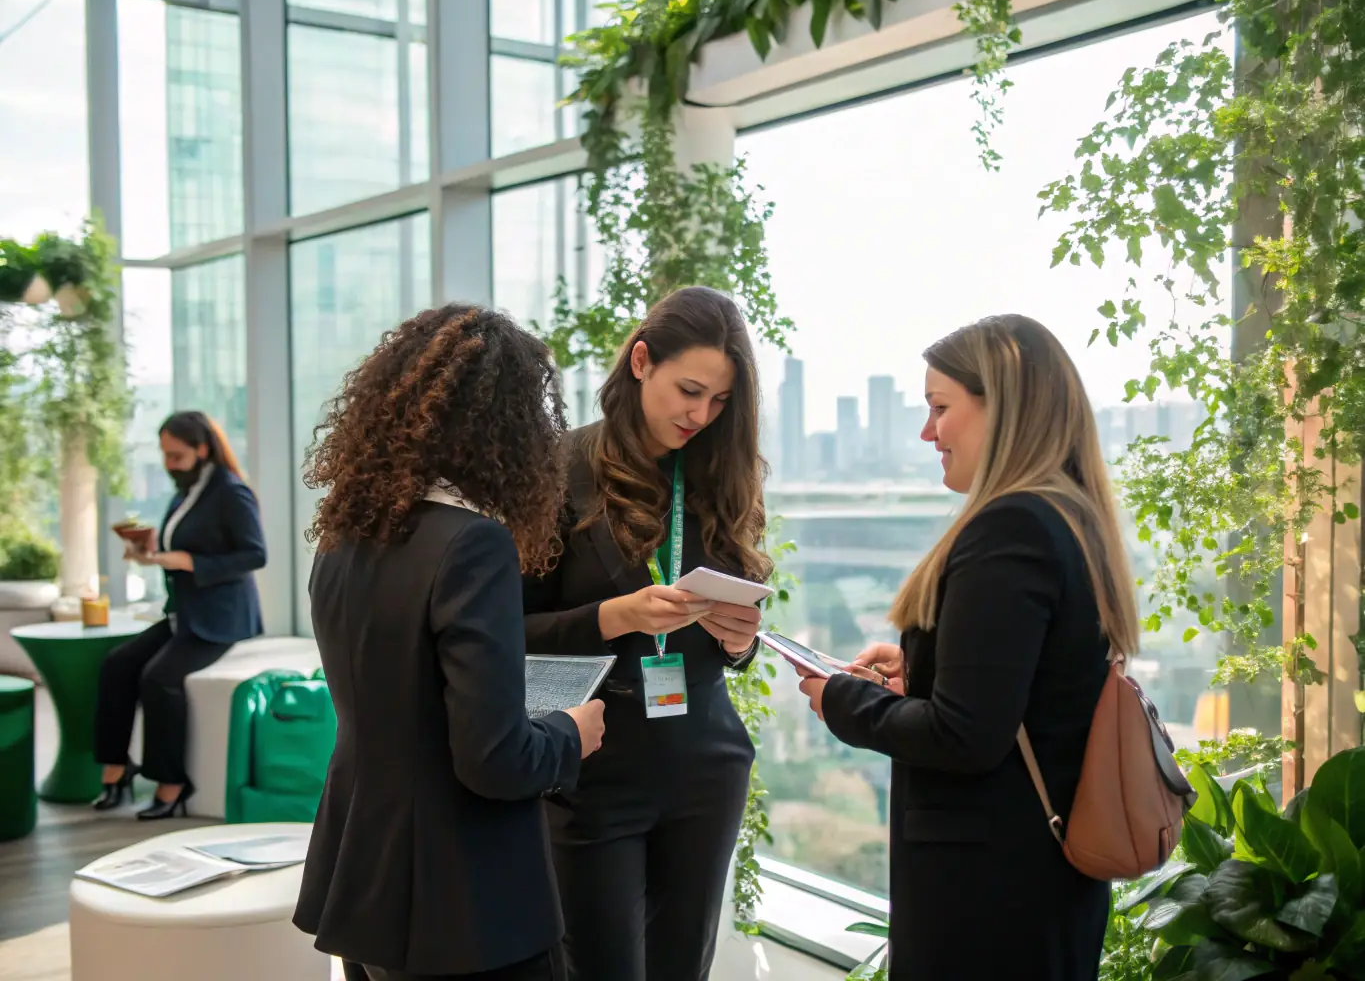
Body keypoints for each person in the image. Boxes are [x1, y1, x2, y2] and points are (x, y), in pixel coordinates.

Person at [797, 314, 1128, 980]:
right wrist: (923, 672)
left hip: (985, 898)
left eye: (939, 408)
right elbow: (1031, 690)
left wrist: (840, 698)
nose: (927, 433)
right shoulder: (1067, 517)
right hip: (1038, 882)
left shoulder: (1010, 528)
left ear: (1000, 408)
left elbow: (964, 737)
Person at [293, 304, 606, 981]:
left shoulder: (344, 538)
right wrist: (568, 733)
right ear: (507, 427)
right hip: (463, 900)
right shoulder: (472, 545)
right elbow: (494, 761)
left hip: (366, 877)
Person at [522, 286, 771, 981]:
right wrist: (617, 616)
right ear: (640, 362)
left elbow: (740, 641)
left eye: (720, 401)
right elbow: (504, 634)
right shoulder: (558, 468)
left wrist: (738, 639)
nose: (701, 414)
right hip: (595, 761)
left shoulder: (721, 472)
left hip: (704, 756)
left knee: (683, 968)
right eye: (689, 390)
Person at [93, 411, 266, 819]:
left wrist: (190, 561)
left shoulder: (230, 491)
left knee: (159, 678)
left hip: (220, 619)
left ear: (201, 449)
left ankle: (172, 783)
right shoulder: (185, 491)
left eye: (176, 456)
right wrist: (150, 553)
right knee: (117, 665)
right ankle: (116, 768)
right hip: (183, 613)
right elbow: (183, 542)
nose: (169, 464)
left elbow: (255, 554)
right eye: (165, 456)